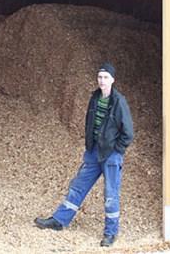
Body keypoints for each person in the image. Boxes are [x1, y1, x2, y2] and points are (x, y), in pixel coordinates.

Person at [34, 63, 134, 247]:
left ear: (112, 80)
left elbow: (128, 133)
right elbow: (90, 122)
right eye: (100, 77)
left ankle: (111, 233)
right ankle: (59, 220)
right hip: (94, 151)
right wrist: (90, 145)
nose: (102, 81)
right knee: (78, 186)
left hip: (111, 154)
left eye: (105, 78)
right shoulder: (95, 98)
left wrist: (116, 149)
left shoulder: (119, 102)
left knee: (110, 194)